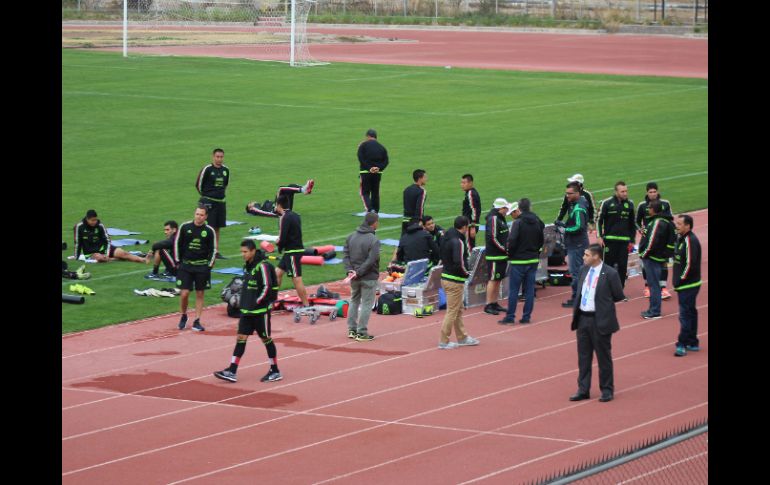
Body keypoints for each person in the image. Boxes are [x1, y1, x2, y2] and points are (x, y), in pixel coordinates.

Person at [214, 239, 282, 383]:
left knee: (266, 339)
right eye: (241, 252)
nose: (243, 254)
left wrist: (256, 302)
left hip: (259, 312)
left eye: (245, 252)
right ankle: (232, 371)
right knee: (241, 338)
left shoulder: (262, 266)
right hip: (246, 311)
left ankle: (275, 370)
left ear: (252, 251)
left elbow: (267, 286)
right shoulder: (248, 266)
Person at [569, 243, 625, 403]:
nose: (583, 257)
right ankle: (583, 389)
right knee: (583, 357)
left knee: (603, 357)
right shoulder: (583, 270)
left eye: (587, 255)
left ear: (596, 256)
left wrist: (602, 305)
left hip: (600, 320)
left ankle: (607, 389)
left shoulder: (610, 273)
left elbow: (618, 295)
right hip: (582, 319)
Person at [500, 199, 545, 324]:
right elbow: (541, 239)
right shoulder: (537, 221)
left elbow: (512, 240)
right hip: (532, 259)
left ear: (519, 209)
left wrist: (510, 254)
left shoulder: (518, 223)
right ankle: (526, 317)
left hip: (519, 260)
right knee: (530, 289)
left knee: (514, 289)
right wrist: (536, 252)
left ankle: (510, 317)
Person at [438, 216, 480, 350]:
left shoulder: (446, 237)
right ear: (464, 227)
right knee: (452, 311)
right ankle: (444, 340)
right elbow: (459, 262)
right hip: (455, 280)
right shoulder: (458, 242)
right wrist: (467, 274)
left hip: (446, 277)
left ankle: (462, 337)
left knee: (458, 310)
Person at [174, 205, 217, 331]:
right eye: (197, 214)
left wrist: (209, 265)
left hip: (202, 266)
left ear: (206, 216)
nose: (199, 217)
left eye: (201, 215)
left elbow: (213, 250)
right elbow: (177, 243)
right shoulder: (185, 227)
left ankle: (197, 320)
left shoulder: (209, 231)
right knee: (184, 293)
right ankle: (183, 315)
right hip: (186, 265)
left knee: (200, 293)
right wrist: (177, 261)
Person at [343, 212, 381, 341]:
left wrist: (350, 271)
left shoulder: (350, 237)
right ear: (374, 223)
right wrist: (359, 272)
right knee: (366, 304)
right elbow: (371, 260)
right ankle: (362, 332)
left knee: (354, 301)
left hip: (354, 277)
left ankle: (352, 330)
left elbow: (346, 256)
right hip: (368, 277)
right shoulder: (374, 240)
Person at [638, 200, 676, 320]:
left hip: (652, 258)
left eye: (649, 208)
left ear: (654, 209)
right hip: (658, 257)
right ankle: (653, 309)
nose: (648, 209)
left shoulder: (657, 222)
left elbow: (652, 240)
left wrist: (644, 253)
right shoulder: (666, 221)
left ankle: (655, 311)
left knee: (653, 285)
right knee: (655, 285)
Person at [636, 182, 674, 300]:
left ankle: (663, 288)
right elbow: (636, 221)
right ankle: (647, 287)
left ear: (657, 192)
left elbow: (670, 219)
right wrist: (640, 229)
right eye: (650, 192)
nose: (653, 194)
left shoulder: (665, 203)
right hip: (647, 238)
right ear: (647, 193)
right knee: (645, 263)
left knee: (663, 263)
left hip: (661, 239)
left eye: (654, 191)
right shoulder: (642, 205)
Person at [672, 214, 702, 357]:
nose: (676, 225)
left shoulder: (690, 240)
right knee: (691, 312)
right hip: (687, 284)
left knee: (684, 315)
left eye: (679, 224)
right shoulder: (681, 238)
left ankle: (682, 344)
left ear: (687, 226)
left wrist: (680, 280)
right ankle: (692, 341)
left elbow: (690, 264)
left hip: (688, 285)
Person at [597, 181, 636, 289]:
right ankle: (607, 289)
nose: (625, 193)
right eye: (622, 191)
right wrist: (599, 236)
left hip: (624, 242)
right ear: (616, 192)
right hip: (609, 240)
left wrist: (632, 240)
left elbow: (632, 223)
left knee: (622, 266)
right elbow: (598, 221)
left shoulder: (630, 204)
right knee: (608, 266)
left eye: (626, 191)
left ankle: (620, 290)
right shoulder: (607, 203)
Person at [73, 209, 148, 264]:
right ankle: (114, 259)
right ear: (87, 219)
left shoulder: (100, 226)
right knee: (100, 258)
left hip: (104, 248)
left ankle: (143, 259)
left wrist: (106, 254)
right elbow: (77, 242)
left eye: (95, 220)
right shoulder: (79, 227)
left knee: (123, 253)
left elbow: (107, 240)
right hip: (91, 253)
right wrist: (76, 257)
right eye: (92, 220)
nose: (94, 222)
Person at [275, 194, 310, 308]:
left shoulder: (284, 217)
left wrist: (278, 244)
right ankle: (272, 300)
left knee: (296, 279)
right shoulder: (296, 215)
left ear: (279, 205)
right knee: (277, 273)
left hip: (292, 252)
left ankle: (306, 305)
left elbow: (283, 237)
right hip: (293, 250)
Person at [560, 182, 590, 308]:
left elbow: (579, 226)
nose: (567, 196)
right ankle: (579, 297)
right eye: (566, 193)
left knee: (576, 272)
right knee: (578, 271)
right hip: (578, 243)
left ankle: (577, 298)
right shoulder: (578, 203)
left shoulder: (578, 208)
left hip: (577, 245)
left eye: (570, 193)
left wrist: (565, 229)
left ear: (577, 193)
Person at [195, 148, 229, 259]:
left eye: (221, 157)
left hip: (220, 203)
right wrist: (206, 196)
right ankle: (204, 250)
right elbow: (198, 184)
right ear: (213, 157)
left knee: (218, 227)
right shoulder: (207, 169)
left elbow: (225, 185)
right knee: (206, 226)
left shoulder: (225, 170)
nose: (219, 159)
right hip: (208, 202)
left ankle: (215, 251)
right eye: (217, 157)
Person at [483, 198, 512, 316]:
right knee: (493, 279)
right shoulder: (494, 219)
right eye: (506, 208)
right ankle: (488, 304)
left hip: (501, 255)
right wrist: (504, 249)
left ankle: (494, 302)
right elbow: (493, 238)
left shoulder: (500, 218)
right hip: (495, 256)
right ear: (500, 208)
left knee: (498, 279)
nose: (507, 210)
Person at [357, 128, 389, 213]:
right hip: (377, 173)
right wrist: (379, 168)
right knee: (375, 193)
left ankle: (370, 210)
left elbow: (361, 158)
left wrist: (369, 168)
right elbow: (386, 161)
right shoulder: (382, 147)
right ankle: (376, 211)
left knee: (364, 192)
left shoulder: (363, 145)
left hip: (365, 172)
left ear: (368, 136)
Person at [245, 180, 315, 218]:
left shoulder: (263, 205)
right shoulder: (255, 210)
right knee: (281, 188)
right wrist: (279, 214)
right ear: (250, 208)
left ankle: (304, 188)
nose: (253, 202)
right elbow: (266, 213)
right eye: (250, 204)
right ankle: (303, 189)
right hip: (277, 210)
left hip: (283, 208)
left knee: (290, 186)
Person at [402, 169, 427, 235]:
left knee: (404, 240)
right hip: (414, 221)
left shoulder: (406, 189)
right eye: (425, 177)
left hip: (405, 219)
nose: (426, 179)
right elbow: (420, 207)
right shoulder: (421, 191)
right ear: (420, 178)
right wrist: (420, 220)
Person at [461, 174, 482, 249]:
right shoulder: (470, 192)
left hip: (470, 225)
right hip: (470, 224)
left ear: (470, 183)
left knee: (469, 246)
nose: (462, 185)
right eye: (461, 183)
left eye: (464, 183)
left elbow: (474, 210)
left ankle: (471, 260)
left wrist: (473, 226)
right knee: (469, 245)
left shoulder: (471, 193)